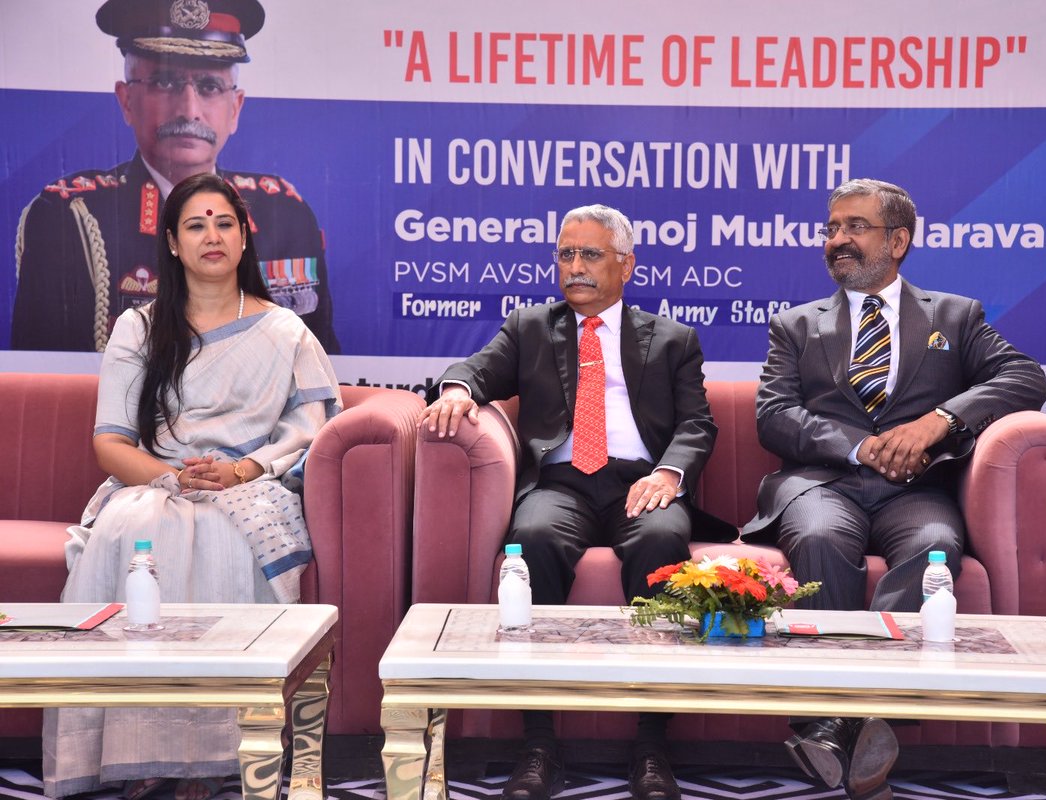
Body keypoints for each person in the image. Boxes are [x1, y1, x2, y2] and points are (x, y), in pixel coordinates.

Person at [741, 178, 1046, 800]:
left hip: (916, 488)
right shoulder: (797, 324)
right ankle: (852, 713)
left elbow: (1025, 376)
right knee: (823, 537)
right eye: (831, 229)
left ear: (899, 240)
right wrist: (858, 447)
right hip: (823, 482)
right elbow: (773, 415)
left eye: (854, 227)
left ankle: (837, 722)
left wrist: (940, 421)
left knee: (934, 544)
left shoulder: (954, 317)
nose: (837, 241)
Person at [41, 173, 341, 800]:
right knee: (140, 527)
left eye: (224, 222)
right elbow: (111, 443)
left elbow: (312, 430)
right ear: (173, 243)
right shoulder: (139, 327)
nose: (212, 236)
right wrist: (171, 477)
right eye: (196, 225)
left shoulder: (284, 330)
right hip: (156, 481)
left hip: (250, 484)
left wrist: (241, 470)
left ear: (243, 236)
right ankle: (141, 752)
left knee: (220, 537)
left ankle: (209, 757)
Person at [419, 204, 718, 800]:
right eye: (565, 255)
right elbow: (477, 369)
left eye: (590, 255)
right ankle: (539, 745)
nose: (574, 267)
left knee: (662, 542)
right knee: (530, 542)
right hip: (561, 483)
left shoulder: (672, 339)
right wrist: (456, 389)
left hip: (641, 480)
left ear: (626, 265)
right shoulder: (531, 326)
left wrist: (667, 473)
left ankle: (652, 746)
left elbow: (698, 424)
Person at [11, 0, 338, 353]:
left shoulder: (283, 214)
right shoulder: (67, 217)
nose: (189, 110)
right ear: (126, 100)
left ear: (236, 108)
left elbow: (319, 368)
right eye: (165, 81)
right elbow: (51, 384)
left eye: (210, 86)